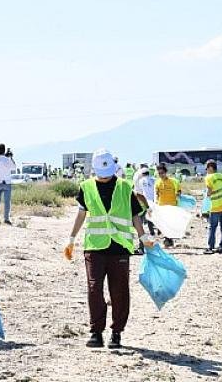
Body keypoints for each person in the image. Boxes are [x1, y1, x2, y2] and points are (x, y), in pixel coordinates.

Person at [63, 149, 152, 349]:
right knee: (94, 288)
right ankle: (96, 332)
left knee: (119, 291)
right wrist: (71, 239)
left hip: (119, 247)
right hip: (94, 246)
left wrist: (143, 238)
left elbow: (135, 215)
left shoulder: (124, 187)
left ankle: (116, 333)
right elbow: (81, 214)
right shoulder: (85, 187)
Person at [154, 164, 181, 248]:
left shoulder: (174, 181)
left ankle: (169, 240)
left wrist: (177, 195)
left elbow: (179, 192)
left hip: (172, 206)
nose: (161, 175)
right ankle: (167, 240)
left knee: (171, 224)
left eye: (162, 173)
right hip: (162, 207)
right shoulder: (157, 182)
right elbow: (156, 195)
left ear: (166, 172)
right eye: (159, 173)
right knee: (164, 224)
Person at [0, 143, 16, 225]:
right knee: (7, 202)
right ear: (4, 150)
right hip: (6, 183)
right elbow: (14, 167)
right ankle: (6, 219)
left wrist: (5, 156)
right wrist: (11, 157)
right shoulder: (8, 160)